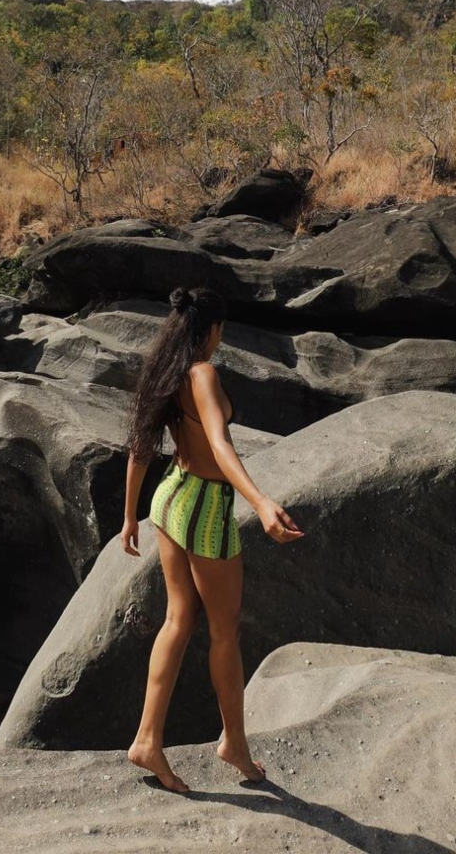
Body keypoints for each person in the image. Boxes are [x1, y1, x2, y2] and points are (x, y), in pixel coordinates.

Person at [121, 285, 304, 794]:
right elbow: (220, 445)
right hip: (205, 512)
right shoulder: (202, 373)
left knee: (178, 618)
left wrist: (130, 515)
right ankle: (234, 744)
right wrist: (260, 501)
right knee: (224, 632)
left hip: (170, 498)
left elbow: (140, 444)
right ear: (215, 329)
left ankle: (147, 740)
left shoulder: (167, 369)